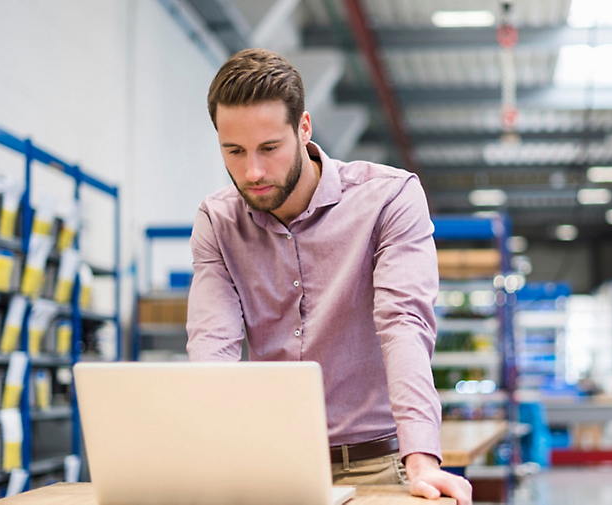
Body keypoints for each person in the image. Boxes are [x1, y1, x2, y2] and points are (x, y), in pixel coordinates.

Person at [186, 48, 471, 504]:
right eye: (234, 151)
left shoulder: (390, 198)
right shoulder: (218, 221)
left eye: (269, 148)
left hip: (381, 465)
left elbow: (404, 323)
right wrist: (209, 451)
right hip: (272, 465)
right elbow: (211, 342)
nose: (252, 171)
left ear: (304, 128)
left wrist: (422, 457)